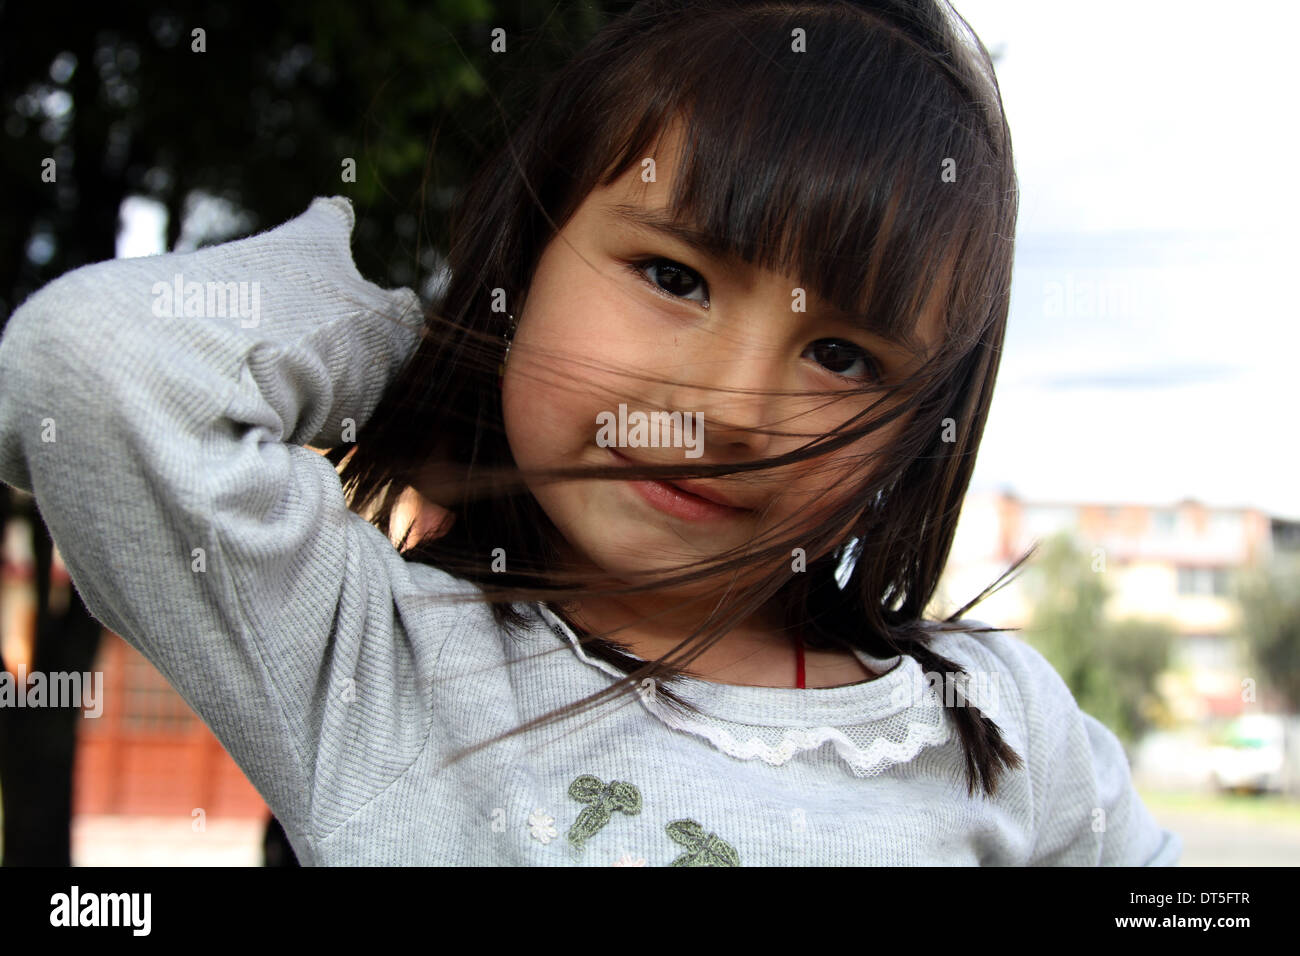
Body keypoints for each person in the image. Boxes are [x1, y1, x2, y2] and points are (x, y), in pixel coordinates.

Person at [0, 0, 1181, 865]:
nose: (723, 410)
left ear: (914, 431)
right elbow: (95, 367)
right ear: (531, 252)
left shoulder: (992, 724)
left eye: (840, 355)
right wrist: (458, 345)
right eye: (671, 274)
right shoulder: (377, 665)